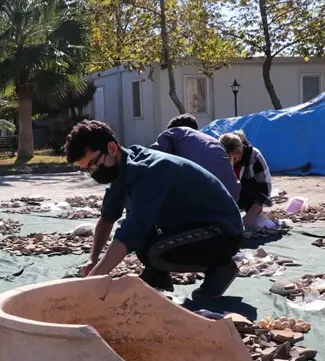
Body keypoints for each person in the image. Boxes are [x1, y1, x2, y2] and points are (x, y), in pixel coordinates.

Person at [64, 120, 244, 299]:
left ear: (111, 148)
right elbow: (107, 218)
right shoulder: (121, 170)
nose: (93, 173)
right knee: (143, 239)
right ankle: (157, 276)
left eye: (93, 165)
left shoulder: (148, 170)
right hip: (192, 224)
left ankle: (220, 268)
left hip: (222, 231)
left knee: (153, 251)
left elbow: (131, 232)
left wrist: (95, 280)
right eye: (87, 170)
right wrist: (93, 260)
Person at [149, 114, 241, 201]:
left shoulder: (175, 134)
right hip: (229, 202)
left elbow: (152, 158)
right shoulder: (214, 144)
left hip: (200, 201)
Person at [219, 131, 275, 228]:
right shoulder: (218, 155)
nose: (229, 162)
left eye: (232, 159)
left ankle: (251, 214)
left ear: (239, 152)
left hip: (248, 197)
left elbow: (265, 190)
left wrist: (248, 217)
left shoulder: (255, 156)